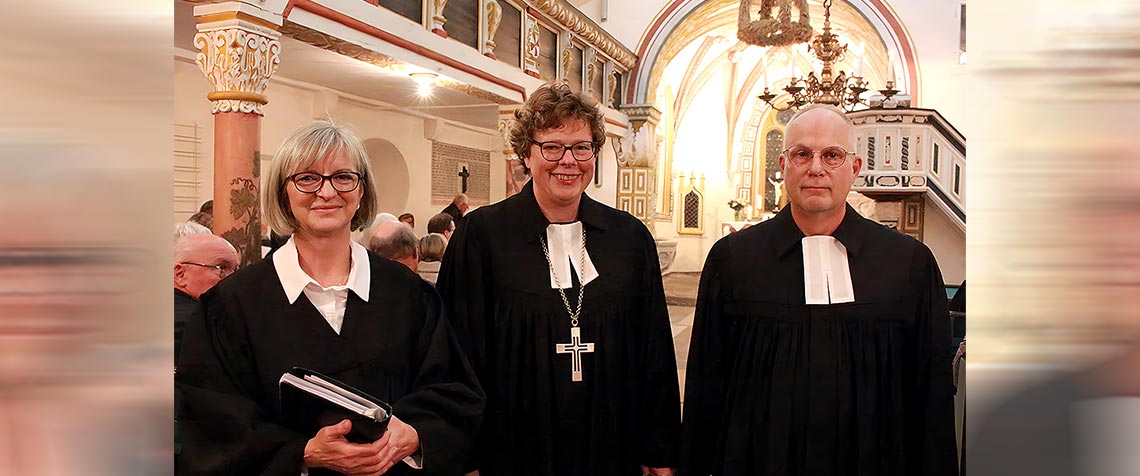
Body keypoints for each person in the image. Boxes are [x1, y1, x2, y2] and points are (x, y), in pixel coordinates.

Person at [177, 120, 484, 476]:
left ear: (362, 191)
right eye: (307, 178)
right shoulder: (230, 305)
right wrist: (302, 453)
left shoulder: (407, 293)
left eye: (342, 177)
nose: (326, 192)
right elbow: (210, 424)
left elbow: (454, 392)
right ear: (283, 192)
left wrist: (415, 434)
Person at [680, 104, 958, 476]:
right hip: (759, 460)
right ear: (783, 165)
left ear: (855, 168)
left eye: (832, 155)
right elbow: (706, 380)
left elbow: (930, 391)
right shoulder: (734, 260)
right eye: (802, 154)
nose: (816, 168)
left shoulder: (908, 263)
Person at [437, 82, 679, 476]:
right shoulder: (482, 235)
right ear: (526, 154)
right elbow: (457, 352)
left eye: (582, 147)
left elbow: (652, 351)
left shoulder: (628, 238)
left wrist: (659, 448)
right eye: (552, 146)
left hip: (609, 441)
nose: (568, 160)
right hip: (513, 446)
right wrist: (463, 454)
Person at [173, 232, 239, 362]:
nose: (233, 278)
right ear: (180, 274)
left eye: (236, 270)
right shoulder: (202, 323)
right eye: (221, 268)